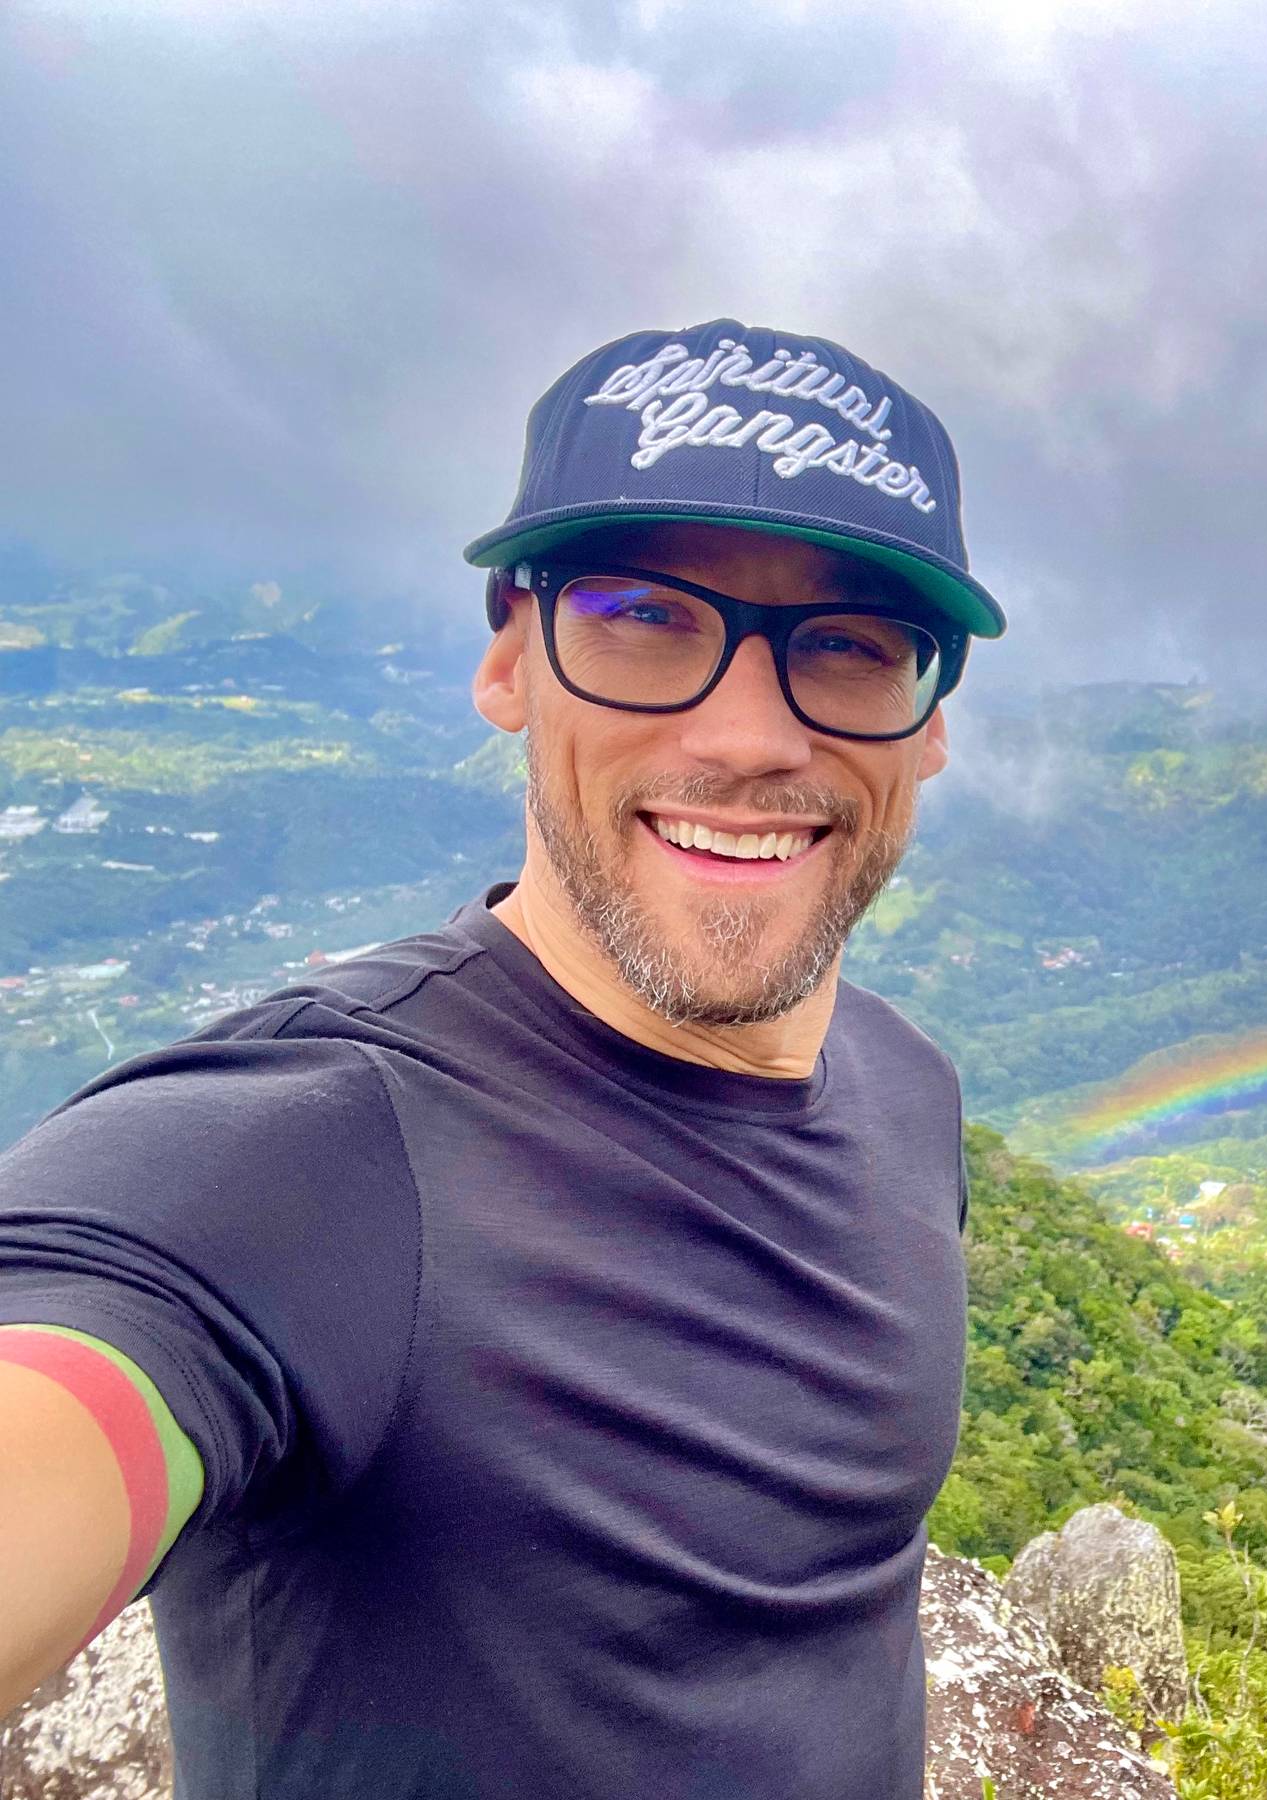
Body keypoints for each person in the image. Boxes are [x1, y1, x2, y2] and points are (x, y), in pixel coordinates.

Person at [0, 320, 1006, 1798]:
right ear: (510, 662)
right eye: (644, 615)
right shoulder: (297, 1162)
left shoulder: (909, 1090)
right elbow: (73, 1382)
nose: (748, 735)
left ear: (929, 727)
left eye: (852, 644)